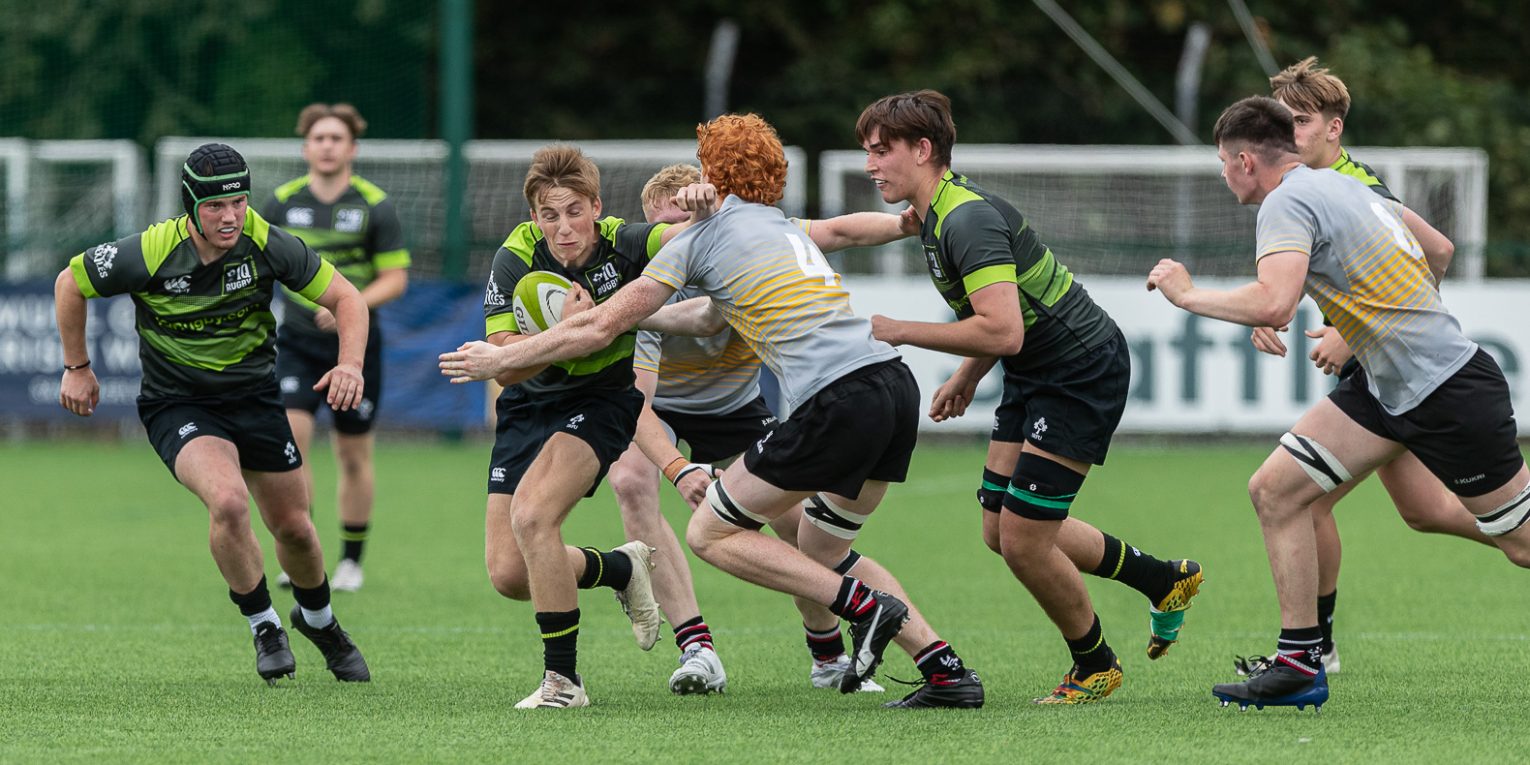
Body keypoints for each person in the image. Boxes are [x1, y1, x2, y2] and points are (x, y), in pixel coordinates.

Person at [443, 114, 986, 710]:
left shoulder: (700, 236)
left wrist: (502, 360)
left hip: (837, 398)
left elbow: (600, 326)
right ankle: (944, 668)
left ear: (711, 175)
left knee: (711, 532)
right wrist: (908, 223)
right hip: (892, 385)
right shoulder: (775, 225)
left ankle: (860, 610)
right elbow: (704, 316)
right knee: (822, 546)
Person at [1147, 96, 1530, 710]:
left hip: (1447, 391)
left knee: (1521, 543)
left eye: (1223, 162)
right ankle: (1301, 663)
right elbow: (1435, 252)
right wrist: (1376, 325)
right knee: (1277, 490)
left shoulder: (1285, 201)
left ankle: (1302, 661)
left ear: (1246, 160)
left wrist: (1187, 294)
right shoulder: (1344, 185)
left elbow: (1274, 304)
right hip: (1386, 388)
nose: (1223, 174)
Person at [853, 90, 1204, 704]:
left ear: (924, 149)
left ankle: (1095, 665)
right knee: (1001, 528)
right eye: (868, 153)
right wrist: (967, 376)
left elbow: (1003, 327)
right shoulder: (936, 218)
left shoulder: (964, 218)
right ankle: (1160, 578)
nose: (870, 165)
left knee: (1024, 540)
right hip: (1035, 371)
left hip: (1078, 372)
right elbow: (1000, 323)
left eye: (882, 151)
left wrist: (896, 330)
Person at [54, 143, 372, 685]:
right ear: (190, 204)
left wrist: (350, 365)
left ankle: (319, 621)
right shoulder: (151, 250)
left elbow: (348, 300)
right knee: (227, 501)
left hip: (255, 399)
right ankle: (264, 624)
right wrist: (76, 366)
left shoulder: (266, 241)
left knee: (295, 528)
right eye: (215, 206)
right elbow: (70, 282)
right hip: (177, 403)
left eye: (239, 203)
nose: (230, 217)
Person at [609, 164, 917, 694]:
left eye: (687, 221)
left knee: (801, 530)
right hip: (664, 404)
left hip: (736, 405)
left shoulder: (746, 241)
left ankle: (827, 655)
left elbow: (836, 230)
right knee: (632, 480)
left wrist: (906, 225)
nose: (680, 235)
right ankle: (696, 650)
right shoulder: (646, 283)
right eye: (665, 229)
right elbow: (637, 399)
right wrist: (677, 468)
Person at [1239, 58, 1486, 675]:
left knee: (1297, 497)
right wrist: (1275, 308)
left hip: (1393, 371)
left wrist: (1357, 336)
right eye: (1283, 121)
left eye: (1301, 120)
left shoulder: (1354, 185)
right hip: (1386, 374)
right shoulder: (1310, 187)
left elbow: (1438, 249)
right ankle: (1313, 650)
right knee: (1424, 512)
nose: (1290, 133)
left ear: (1333, 128)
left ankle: (1312, 651)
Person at [472, 144, 726, 710]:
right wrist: (563, 332)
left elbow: (691, 237)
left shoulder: (626, 241)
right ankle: (620, 566)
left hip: (603, 400)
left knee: (534, 517)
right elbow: (505, 357)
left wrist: (706, 210)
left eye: (574, 211)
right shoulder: (515, 257)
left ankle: (563, 682)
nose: (564, 229)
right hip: (529, 405)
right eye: (549, 215)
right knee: (511, 574)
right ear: (533, 216)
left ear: (596, 205)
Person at [265, 103, 410, 592]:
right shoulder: (281, 203)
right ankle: (304, 553)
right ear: (306, 147)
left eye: (336, 138)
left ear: (352, 148)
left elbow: (395, 279)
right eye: (319, 138)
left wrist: (348, 307)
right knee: (292, 443)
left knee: (351, 454)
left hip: (356, 345)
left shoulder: (375, 204)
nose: (327, 146)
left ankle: (351, 561)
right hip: (295, 344)